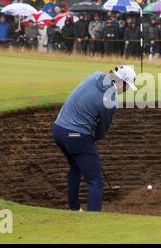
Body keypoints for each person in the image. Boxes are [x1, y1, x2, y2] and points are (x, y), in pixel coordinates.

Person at [52, 65, 138, 212]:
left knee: (75, 168)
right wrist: (92, 138)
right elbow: (102, 130)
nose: (127, 90)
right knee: (95, 180)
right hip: (76, 136)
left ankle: (74, 209)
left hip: (58, 129)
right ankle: (93, 218)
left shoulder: (95, 75)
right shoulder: (110, 101)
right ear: (121, 82)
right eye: (127, 86)